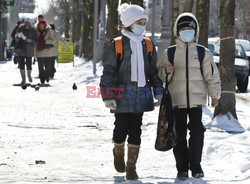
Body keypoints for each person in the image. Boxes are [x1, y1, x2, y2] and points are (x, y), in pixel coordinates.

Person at [100, 3, 163, 180]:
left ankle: (131, 167)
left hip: (142, 94)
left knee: (136, 130)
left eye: (144, 21)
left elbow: (152, 71)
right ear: (129, 23)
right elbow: (109, 71)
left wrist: (158, 90)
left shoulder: (148, 44)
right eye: (139, 21)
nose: (142, 25)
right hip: (121, 94)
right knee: (120, 128)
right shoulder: (117, 44)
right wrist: (107, 95)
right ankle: (118, 151)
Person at [158, 12, 221, 179]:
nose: (187, 32)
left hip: (196, 101)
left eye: (190, 29)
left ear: (196, 31)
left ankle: (196, 165)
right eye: (183, 29)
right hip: (176, 100)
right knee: (178, 134)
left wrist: (215, 96)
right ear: (177, 32)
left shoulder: (203, 53)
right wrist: (165, 71)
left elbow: (212, 76)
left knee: (197, 131)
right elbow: (160, 75)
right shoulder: (170, 53)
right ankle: (182, 167)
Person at [15, 18, 37, 85]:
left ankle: (29, 76)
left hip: (29, 49)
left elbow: (36, 39)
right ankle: (23, 79)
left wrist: (32, 41)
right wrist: (19, 37)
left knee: (29, 64)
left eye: (29, 22)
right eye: (26, 22)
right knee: (21, 64)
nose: (27, 23)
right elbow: (16, 37)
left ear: (30, 23)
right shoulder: (20, 28)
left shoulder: (33, 30)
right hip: (21, 49)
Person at [35, 19, 56, 84]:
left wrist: (45, 42)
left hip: (47, 51)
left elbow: (53, 40)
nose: (41, 26)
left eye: (42, 25)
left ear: (44, 25)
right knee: (40, 67)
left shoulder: (49, 31)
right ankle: (42, 79)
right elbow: (34, 40)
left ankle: (47, 76)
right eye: (40, 25)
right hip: (39, 51)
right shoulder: (36, 31)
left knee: (48, 67)